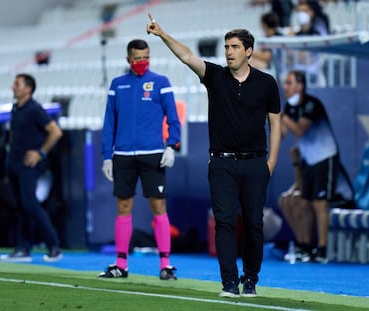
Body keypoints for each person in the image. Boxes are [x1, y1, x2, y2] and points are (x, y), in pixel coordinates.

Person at [147, 14, 281, 297]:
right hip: (221, 162)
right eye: (226, 47)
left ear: (248, 51)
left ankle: (251, 280)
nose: (228, 52)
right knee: (224, 222)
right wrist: (162, 34)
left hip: (256, 162)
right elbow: (187, 56)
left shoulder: (267, 83)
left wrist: (271, 163)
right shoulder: (215, 76)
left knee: (255, 224)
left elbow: (276, 124)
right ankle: (229, 283)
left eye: (234, 47)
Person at [99, 39, 181, 280]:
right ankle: (120, 265)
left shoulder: (161, 83)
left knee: (158, 206)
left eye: (146, 57)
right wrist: (107, 156)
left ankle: (165, 265)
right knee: (123, 207)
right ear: (128, 60)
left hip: (153, 154)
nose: (142, 62)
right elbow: (109, 123)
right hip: (122, 156)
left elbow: (173, 118)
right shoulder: (117, 85)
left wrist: (171, 145)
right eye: (137, 58)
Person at [0, 73, 63, 262]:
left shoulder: (34, 108)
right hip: (14, 163)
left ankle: (54, 245)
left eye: (17, 84)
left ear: (28, 88)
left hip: (28, 165)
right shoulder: (16, 108)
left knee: (30, 204)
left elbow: (55, 132)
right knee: (19, 206)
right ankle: (23, 248)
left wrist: (40, 153)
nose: (13, 87)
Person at [281, 70, 339, 263]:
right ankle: (305, 246)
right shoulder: (288, 107)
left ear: (300, 85)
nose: (285, 87)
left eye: (289, 83)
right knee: (304, 202)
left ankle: (322, 249)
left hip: (325, 156)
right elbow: (281, 133)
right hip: (308, 159)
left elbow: (298, 129)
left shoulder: (311, 104)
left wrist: (283, 117)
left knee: (319, 204)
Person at [249, 12, 282, 76]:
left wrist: (249, 52)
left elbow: (267, 56)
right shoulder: (267, 38)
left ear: (264, 25)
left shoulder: (276, 38)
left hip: (277, 66)